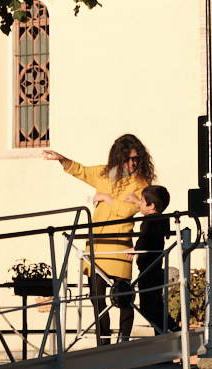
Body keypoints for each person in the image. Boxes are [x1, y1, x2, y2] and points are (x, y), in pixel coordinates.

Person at [43, 133, 155, 343]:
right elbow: (80, 170)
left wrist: (105, 197)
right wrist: (60, 158)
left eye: (136, 158)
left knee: (124, 297)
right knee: (97, 298)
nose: (132, 163)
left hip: (121, 245)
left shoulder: (141, 183)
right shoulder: (105, 174)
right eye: (128, 158)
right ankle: (103, 343)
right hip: (97, 245)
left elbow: (127, 210)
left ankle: (123, 342)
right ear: (119, 157)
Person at [131, 184, 172, 333]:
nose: (139, 204)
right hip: (157, 269)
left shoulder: (149, 221)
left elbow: (144, 239)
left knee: (147, 308)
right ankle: (162, 337)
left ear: (152, 205)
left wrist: (136, 250)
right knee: (157, 305)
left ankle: (171, 326)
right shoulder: (163, 219)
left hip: (147, 270)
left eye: (141, 201)